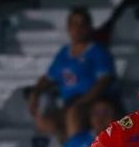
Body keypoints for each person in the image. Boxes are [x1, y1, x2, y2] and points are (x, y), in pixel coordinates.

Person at [28, 7, 115, 137]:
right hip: (69, 102)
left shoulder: (98, 51)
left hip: (92, 101)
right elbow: (49, 78)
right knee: (47, 120)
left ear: (89, 27)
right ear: (68, 28)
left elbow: (104, 81)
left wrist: (83, 101)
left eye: (82, 24)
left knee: (74, 113)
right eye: (74, 24)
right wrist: (35, 93)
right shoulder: (64, 53)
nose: (78, 28)